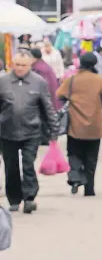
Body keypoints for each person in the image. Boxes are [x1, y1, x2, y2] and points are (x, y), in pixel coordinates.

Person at [0, 50, 59, 214]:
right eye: (16, 64)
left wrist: (54, 129)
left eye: (23, 65)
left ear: (30, 66)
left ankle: (29, 198)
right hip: (7, 132)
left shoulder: (38, 82)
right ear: (12, 64)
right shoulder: (3, 81)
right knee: (11, 167)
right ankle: (13, 199)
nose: (19, 68)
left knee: (28, 165)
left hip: (31, 132)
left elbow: (47, 107)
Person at [57, 52, 102, 196]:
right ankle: (89, 189)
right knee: (91, 159)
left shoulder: (72, 80)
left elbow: (59, 94)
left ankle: (74, 177)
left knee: (74, 153)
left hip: (75, 126)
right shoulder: (99, 81)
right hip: (94, 127)